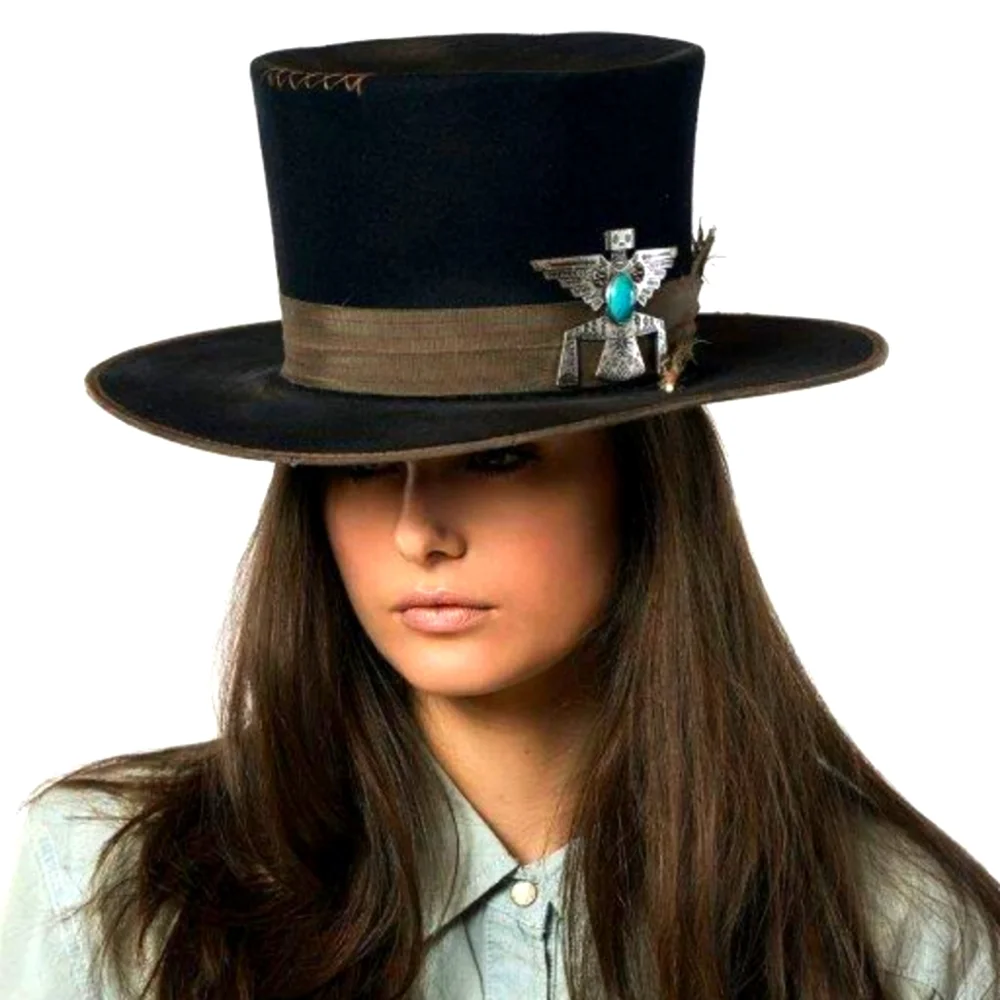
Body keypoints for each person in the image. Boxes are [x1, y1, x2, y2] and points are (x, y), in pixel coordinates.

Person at [1, 30, 998, 1000]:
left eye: (500, 457)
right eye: (363, 467)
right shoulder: (118, 891)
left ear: (643, 478)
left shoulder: (897, 936)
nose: (417, 533)